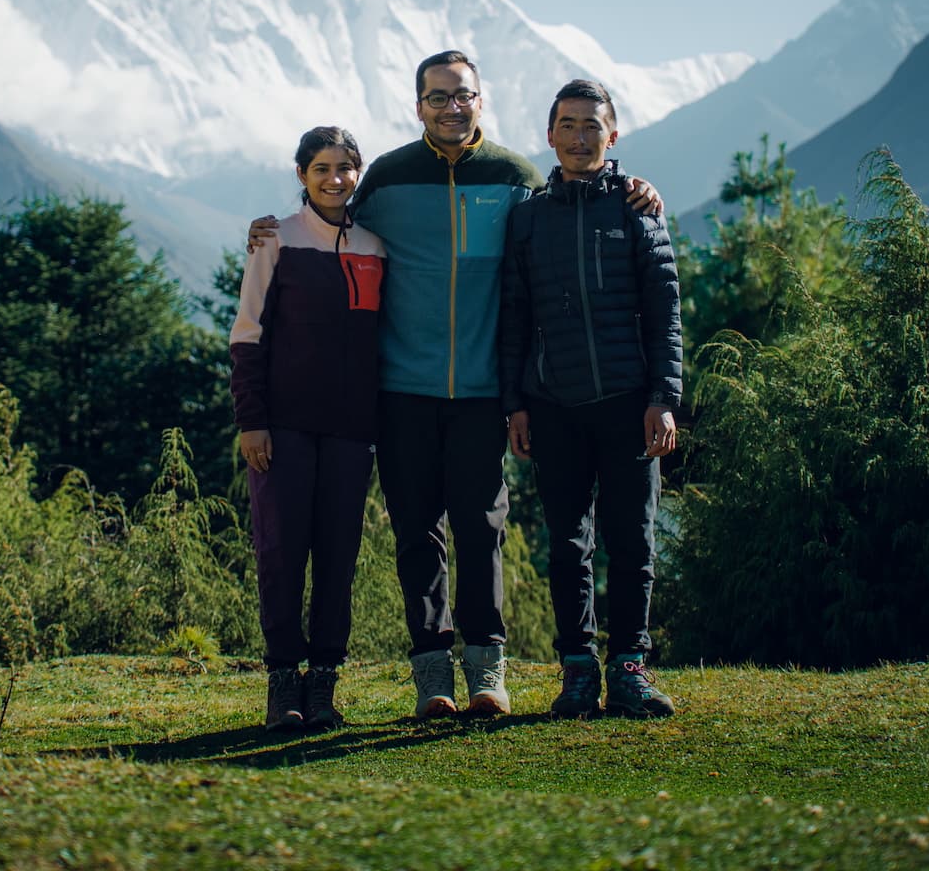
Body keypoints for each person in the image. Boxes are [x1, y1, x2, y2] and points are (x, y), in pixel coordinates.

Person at [249, 53, 662, 718]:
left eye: (461, 96)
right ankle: (432, 675)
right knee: (416, 532)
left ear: (481, 100)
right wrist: (266, 232)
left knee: (481, 530)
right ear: (418, 107)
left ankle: (487, 673)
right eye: (437, 98)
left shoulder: (515, 178)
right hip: (400, 389)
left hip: (481, 390)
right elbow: (329, 222)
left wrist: (632, 188)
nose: (450, 107)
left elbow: (570, 206)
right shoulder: (386, 177)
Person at [499, 79, 681, 718]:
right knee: (567, 544)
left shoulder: (638, 209)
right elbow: (515, 316)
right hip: (553, 405)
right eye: (568, 125)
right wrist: (516, 404)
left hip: (630, 402)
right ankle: (577, 670)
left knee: (632, 541)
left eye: (592, 126)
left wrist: (663, 395)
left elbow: (666, 310)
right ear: (549, 135)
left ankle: (629, 667)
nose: (580, 137)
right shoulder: (527, 217)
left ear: (613, 135)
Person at [229, 126, 387, 731]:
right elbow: (247, 335)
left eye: (345, 167)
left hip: (351, 431)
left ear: (358, 173)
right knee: (280, 555)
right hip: (282, 430)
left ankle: (323, 683)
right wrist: (253, 422)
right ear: (301, 175)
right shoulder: (275, 241)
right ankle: (281, 684)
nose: (334, 178)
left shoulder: (376, 246)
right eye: (321, 167)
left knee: (338, 560)